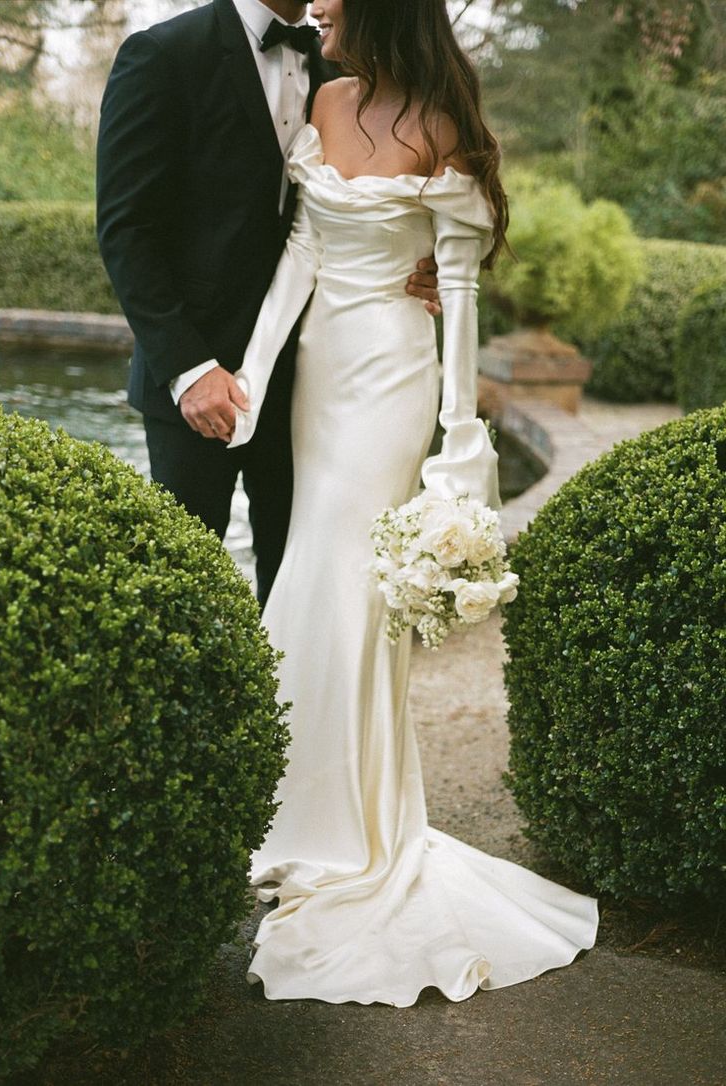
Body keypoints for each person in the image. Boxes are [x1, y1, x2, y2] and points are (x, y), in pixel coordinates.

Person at [227, 0, 599, 1005]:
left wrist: (459, 439)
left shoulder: (440, 121)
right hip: (316, 372)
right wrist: (253, 379)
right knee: (310, 562)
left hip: (392, 376)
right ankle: (281, 809)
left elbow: (461, 295)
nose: (318, 10)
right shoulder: (326, 96)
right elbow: (299, 252)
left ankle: (344, 830)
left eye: (336, 0)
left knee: (354, 582)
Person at [96, 0, 439, 607]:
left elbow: (363, 208)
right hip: (199, 384)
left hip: (314, 376)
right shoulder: (164, 54)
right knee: (183, 593)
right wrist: (190, 369)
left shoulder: (336, 66)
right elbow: (126, 231)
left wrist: (422, 261)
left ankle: (285, 705)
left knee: (295, 585)